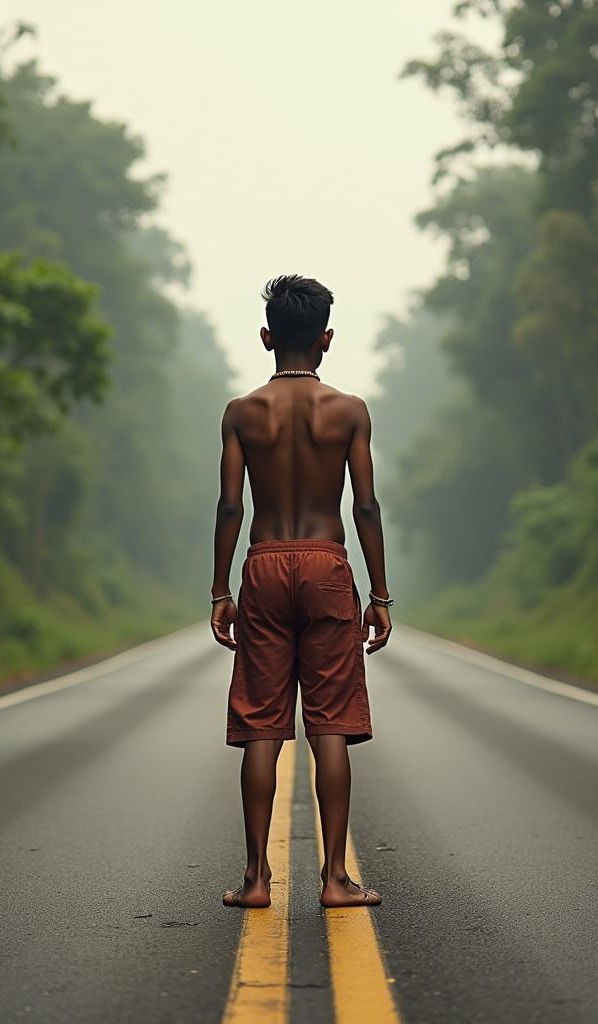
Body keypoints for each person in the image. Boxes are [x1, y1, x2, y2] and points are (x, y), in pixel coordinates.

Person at [210, 274, 393, 910]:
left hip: (262, 562)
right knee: (331, 725)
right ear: (327, 338)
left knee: (262, 725)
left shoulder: (242, 413)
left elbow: (230, 506)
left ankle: (258, 880)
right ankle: (335, 880)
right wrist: (381, 595)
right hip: (325, 563)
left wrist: (218, 591)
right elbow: (365, 506)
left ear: (266, 338)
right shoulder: (348, 411)